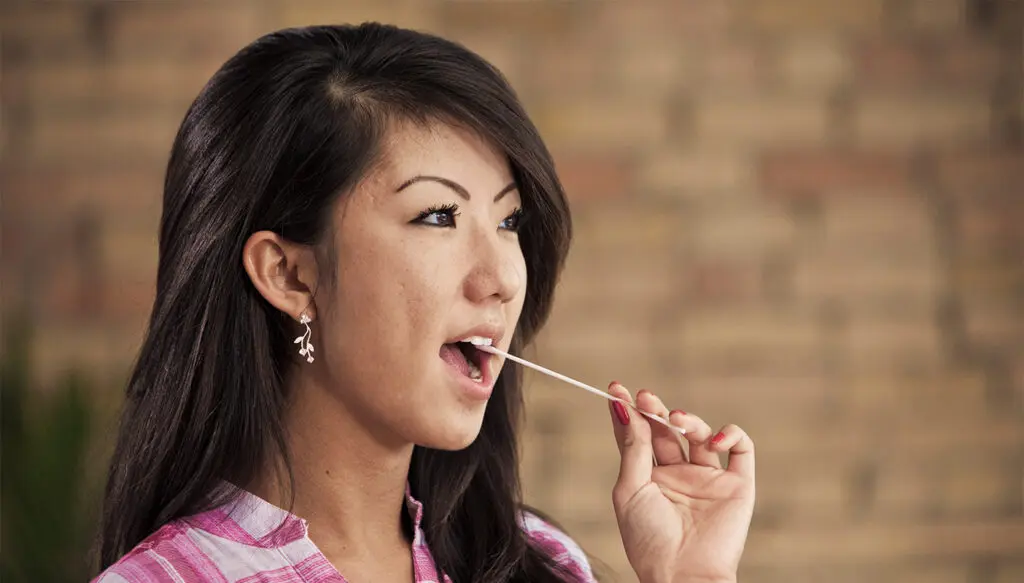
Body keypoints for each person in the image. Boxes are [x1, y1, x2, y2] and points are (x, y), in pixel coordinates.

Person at [92, 23, 755, 583]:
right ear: (291, 274)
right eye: (438, 216)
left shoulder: (539, 562)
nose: (501, 277)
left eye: (510, 221)